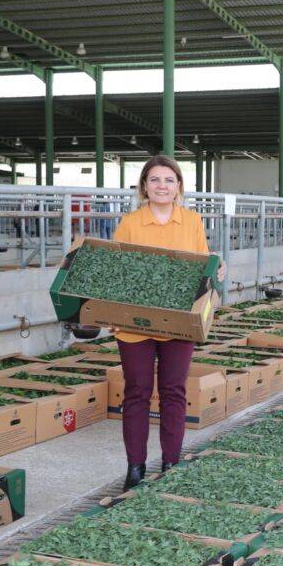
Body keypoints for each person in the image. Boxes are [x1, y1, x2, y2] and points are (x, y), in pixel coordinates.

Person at [112, 154, 226, 490]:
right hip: (135, 323)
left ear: (179, 187)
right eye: (155, 180)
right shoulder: (130, 222)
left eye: (169, 180)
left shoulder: (191, 221)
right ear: (144, 187)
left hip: (178, 322)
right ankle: (136, 467)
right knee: (137, 392)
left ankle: (171, 462)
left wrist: (217, 269)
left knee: (174, 391)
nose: (162, 186)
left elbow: (202, 262)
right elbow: (116, 270)